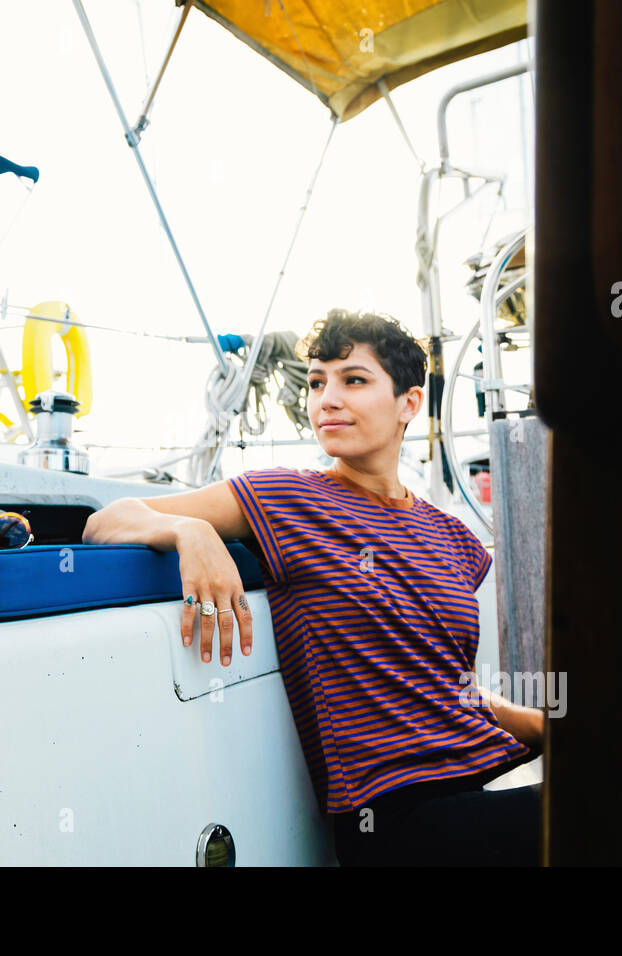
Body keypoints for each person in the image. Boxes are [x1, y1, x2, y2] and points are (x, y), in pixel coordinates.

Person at [82, 308, 544, 866]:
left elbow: (448, 688)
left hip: (474, 797)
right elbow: (109, 519)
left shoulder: (451, 537)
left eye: (353, 380)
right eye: (318, 382)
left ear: (409, 404)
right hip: (394, 824)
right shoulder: (285, 499)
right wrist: (190, 529)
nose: (327, 399)